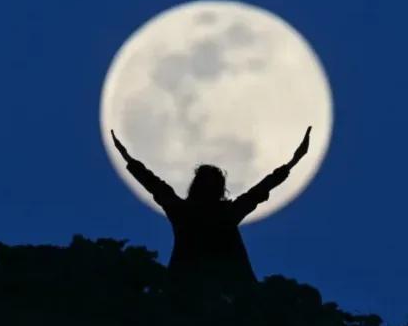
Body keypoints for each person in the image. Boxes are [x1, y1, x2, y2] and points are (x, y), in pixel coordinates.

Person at [110, 127, 312, 298]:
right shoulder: (222, 213)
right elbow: (261, 189)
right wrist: (293, 162)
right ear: (220, 189)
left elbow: (153, 184)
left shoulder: (183, 210)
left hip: (187, 289)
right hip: (227, 291)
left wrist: (127, 157)